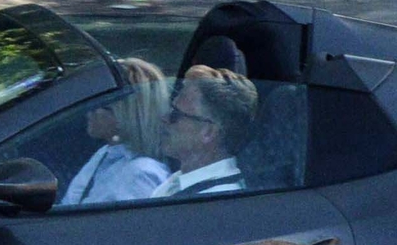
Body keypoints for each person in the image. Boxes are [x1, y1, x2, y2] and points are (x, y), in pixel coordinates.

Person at [62, 57, 171, 206]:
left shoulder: (141, 174)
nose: (90, 109)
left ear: (125, 115)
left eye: (101, 103)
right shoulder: (105, 153)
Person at [152, 68, 262, 199]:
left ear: (208, 132)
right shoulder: (178, 182)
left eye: (176, 114)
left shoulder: (217, 200)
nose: (165, 118)